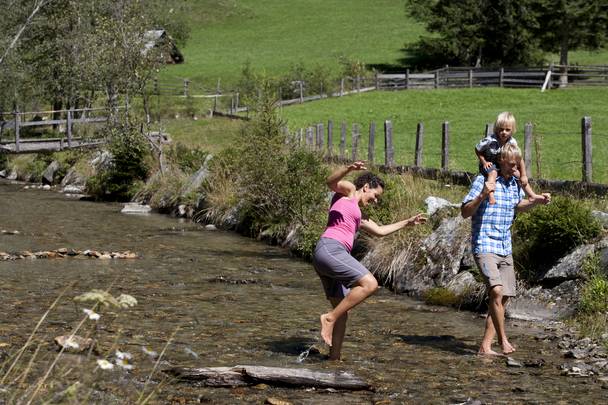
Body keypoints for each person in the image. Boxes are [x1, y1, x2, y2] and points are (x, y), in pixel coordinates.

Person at [313, 161, 426, 360]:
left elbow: (381, 231)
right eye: (375, 195)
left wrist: (407, 223)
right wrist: (349, 168)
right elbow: (330, 182)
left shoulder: (359, 215)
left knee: (343, 312)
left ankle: (334, 361)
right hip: (330, 248)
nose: (375, 201)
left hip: (330, 256)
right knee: (370, 283)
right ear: (366, 187)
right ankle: (328, 318)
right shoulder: (347, 192)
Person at [461, 143, 551, 355]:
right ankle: (503, 340)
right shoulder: (483, 181)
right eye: (511, 165)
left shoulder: (514, 184)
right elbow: (465, 212)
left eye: (517, 165)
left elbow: (517, 206)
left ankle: (485, 346)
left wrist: (536, 201)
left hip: (504, 245)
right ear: (500, 161)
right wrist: (482, 195)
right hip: (484, 244)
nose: (515, 169)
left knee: (505, 296)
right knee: (496, 290)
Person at [475, 111, 542, 205]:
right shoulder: (490, 140)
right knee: (493, 172)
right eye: (501, 129)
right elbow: (478, 149)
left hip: (504, 166)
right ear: (496, 129)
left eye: (507, 130)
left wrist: (523, 175)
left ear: (512, 130)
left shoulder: (512, 142)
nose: (504, 132)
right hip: (490, 165)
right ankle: (491, 196)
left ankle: (531, 195)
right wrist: (484, 162)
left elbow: (519, 158)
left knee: (518, 174)